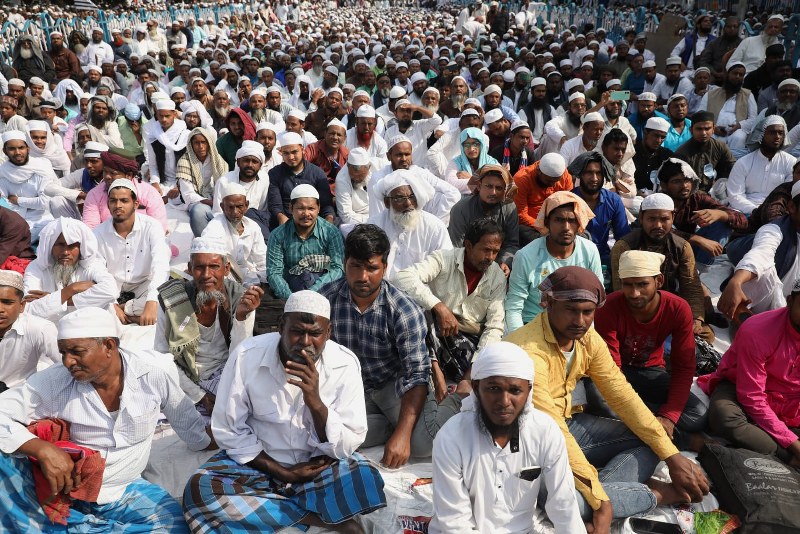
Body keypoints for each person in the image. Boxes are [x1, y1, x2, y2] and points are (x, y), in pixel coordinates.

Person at [505, 266, 710, 530]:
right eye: (570, 309)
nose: (580, 321)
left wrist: (672, 457)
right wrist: (599, 501)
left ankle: (612, 493)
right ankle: (653, 494)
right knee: (571, 504)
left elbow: (622, 395)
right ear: (549, 303)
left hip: (569, 424)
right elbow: (552, 430)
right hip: (528, 444)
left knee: (655, 438)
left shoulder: (587, 338)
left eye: (587, 312)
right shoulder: (528, 351)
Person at [183, 290, 387, 533]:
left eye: (315, 334)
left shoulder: (345, 364)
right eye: (297, 331)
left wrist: (316, 402)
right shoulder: (247, 356)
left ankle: (265, 511)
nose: (305, 342)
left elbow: (348, 441)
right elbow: (228, 429)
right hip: (259, 465)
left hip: (316, 469)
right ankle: (315, 518)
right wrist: (283, 473)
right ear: (281, 326)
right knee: (199, 491)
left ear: (329, 332)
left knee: (365, 480)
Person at [0, 307, 215, 533]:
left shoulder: (153, 374)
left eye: (76, 352)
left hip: (123, 490)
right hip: (61, 489)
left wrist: (217, 440)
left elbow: (189, 426)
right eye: (63, 352)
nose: (67, 362)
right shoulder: (55, 381)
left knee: (174, 527)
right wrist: (43, 450)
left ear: (109, 346)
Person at [319, 225, 467, 468]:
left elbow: (416, 376)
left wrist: (404, 435)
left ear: (384, 268)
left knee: (420, 445)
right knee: (331, 434)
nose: (363, 276)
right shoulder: (326, 299)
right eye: (355, 266)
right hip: (352, 386)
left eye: (372, 268)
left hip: (395, 385)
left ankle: (457, 398)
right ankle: (388, 423)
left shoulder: (404, 310)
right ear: (344, 263)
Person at [429, 342, 584, 533]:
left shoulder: (545, 431)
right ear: (476, 388)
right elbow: (455, 523)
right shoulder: (451, 437)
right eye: (494, 389)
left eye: (515, 391)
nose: (504, 402)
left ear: (528, 391)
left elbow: (564, 504)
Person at [592, 250, 706, 448]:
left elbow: (683, 366)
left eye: (642, 284)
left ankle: (643, 426)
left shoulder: (678, 308)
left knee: (699, 414)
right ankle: (677, 438)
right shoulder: (608, 307)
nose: (635, 293)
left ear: (659, 281)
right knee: (600, 401)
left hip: (650, 371)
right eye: (628, 285)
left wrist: (669, 417)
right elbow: (612, 369)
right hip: (615, 374)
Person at [155, 236, 262, 413]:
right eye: (199, 268)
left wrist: (242, 317)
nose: (206, 275)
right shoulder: (171, 299)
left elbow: (240, 356)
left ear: (226, 269)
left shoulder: (240, 298)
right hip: (184, 377)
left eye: (214, 267)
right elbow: (162, 355)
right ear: (189, 269)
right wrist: (199, 396)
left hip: (226, 374)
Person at [699, 283, 800, 466]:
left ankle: (769, 441)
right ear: (789, 301)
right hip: (741, 388)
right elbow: (752, 397)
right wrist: (793, 445)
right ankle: (786, 457)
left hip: (791, 401)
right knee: (724, 417)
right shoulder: (758, 331)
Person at [395, 218, 507, 380]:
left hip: (469, 340)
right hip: (438, 329)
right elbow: (403, 277)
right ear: (468, 245)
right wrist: (439, 307)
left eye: (495, 252)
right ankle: (434, 372)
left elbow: (494, 326)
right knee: (417, 313)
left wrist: (474, 369)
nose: (490, 257)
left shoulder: (497, 276)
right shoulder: (444, 259)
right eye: (486, 250)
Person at [610, 193, 711, 341]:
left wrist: (696, 318)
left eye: (664, 219)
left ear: (673, 217)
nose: (658, 225)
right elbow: (621, 289)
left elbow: (690, 284)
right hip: (634, 307)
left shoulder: (682, 246)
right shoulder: (624, 246)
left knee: (704, 335)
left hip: (668, 308)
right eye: (652, 219)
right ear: (641, 217)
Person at [505, 191, 602, 332]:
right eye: (559, 220)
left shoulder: (590, 250)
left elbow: (595, 299)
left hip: (577, 327)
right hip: (534, 328)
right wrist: (520, 343)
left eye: (572, 220)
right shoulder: (525, 256)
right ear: (547, 222)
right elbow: (514, 306)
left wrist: (587, 336)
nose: (566, 227)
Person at [717, 181, 800, 317]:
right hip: (774, 302)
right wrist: (736, 281)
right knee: (761, 273)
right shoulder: (774, 230)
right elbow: (760, 254)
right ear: (791, 207)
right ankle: (743, 319)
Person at [94, 179, 170, 327]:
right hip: (112, 290)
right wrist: (111, 304)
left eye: (124, 200)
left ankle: (126, 311)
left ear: (135, 204)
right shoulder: (97, 233)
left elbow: (160, 265)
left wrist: (152, 300)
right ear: (108, 204)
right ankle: (130, 314)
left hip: (144, 287)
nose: (118, 206)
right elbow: (97, 272)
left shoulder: (151, 226)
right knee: (87, 298)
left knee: (175, 295)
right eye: (113, 201)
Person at [22, 217, 117, 323]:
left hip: (88, 326)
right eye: (60, 245)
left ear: (81, 247)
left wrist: (62, 300)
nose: (66, 252)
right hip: (51, 329)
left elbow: (110, 291)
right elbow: (28, 308)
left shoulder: (91, 265)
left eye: (72, 246)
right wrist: (71, 290)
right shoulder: (36, 267)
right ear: (50, 246)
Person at [658, 158, 748, 267]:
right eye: (677, 181)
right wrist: (696, 239)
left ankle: (698, 269)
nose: (684, 186)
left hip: (690, 253)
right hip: (663, 254)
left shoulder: (697, 198)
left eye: (687, 180)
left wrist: (720, 214)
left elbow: (743, 220)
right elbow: (657, 231)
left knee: (722, 222)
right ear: (664, 185)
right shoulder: (656, 201)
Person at [368, 169, 452, 280]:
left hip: (421, 292)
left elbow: (446, 266)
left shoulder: (435, 227)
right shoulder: (374, 226)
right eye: (399, 198)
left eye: (412, 197)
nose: (408, 203)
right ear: (387, 202)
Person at [267, 184, 344, 299]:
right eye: (301, 208)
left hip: (323, 291)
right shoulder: (278, 235)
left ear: (318, 208)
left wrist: (311, 294)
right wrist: (291, 299)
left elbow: (337, 268)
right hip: (290, 290)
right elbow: (274, 273)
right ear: (291, 208)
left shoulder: (331, 232)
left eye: (311, 208)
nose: (306, 214)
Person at [448, 164, 519, 275]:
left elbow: (512, 243)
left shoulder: (509, 207)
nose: (493, 192)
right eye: (489, 186)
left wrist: (505, 262)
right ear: (479, 186)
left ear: (505, 191)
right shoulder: (461, 209)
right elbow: (456, 247)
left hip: (496, 263)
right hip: (466, 263)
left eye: (499, 188)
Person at [0, 269, 59, 391]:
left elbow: (65, 364)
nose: (0, 309)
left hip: (21, 396)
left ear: (21, 306)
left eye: (7, 302)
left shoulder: (40, 328)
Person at [82, 150, 168, 232]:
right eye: (105, 171)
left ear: (129, 175)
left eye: (113, 173)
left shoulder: (149, 193)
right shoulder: (94, 195)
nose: (107, 176)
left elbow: (159, 229)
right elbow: (90, 231)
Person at [202, 181, 267, 287]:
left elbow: (262, 259)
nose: (235, 212)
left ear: (246, 206)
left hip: (249, 277)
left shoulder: (253, 227)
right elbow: (210, 262)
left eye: (239, 206)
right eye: (230, 207)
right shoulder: (214, 228)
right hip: (224, 279)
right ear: (222, 207)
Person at [727, 115, 795, 216]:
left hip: (776, 212)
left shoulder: (791, 163)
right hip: (744, 211)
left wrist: (770, 211)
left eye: (781, 133)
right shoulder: (743, 162)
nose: (777, 137)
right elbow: (735, 196)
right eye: (772, 132)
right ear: (761, 135)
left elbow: (788, 196)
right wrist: (755, 210)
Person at [570, 151, 630, 266]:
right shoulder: (569, 200)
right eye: (589, 173)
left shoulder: (614, 201)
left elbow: (623, 237)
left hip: (602, 257)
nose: (594, 178)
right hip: (574, 257)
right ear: (581, 174)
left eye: (598, 173)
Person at [268, 131, 335, 229]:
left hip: (314, 224)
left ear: (302, 150)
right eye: (286, 153)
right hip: (286, 224)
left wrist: (328, 223)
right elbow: (275, 206)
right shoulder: (274, 173)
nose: (291, 157)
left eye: (294, 152)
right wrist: (281, 218)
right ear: (281, 153)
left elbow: (326, 205)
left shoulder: (317, 173)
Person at [177, 127, 229, 237]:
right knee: (198, 211)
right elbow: (188, 195)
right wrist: (212, 202)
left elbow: (223, 182)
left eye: (203, 142)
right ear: (191, 144)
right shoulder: (184, 162)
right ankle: (204, 243)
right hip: (196, 200)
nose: (201, 147)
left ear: (209, 143)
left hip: (213, 196)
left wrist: (218, 199)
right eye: (196, 143)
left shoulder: (216, 158)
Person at [512, 152, 573, 245]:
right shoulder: (522, 179)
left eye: (556, 181)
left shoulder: (565, 176)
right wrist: (544, 228)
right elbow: (520, 214)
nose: (552, 184)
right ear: (538, 171)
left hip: (558, 223)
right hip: (532, 227)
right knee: (522, 232)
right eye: (549, 181)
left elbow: (569, 205)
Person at [674, 111, 737, 192]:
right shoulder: (681, 153)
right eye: (699, 129)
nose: (703, 133)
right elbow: (679, 182)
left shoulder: (720, 146)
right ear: (691, 130)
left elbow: (732, 168)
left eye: (707, 129)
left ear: (713, 129)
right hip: (691, 193)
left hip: (713, 191)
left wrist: (720, 185)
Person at [698, 62, 756, 144]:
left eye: (741, 75)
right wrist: (713, 128)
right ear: (727, 74)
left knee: (739, 137)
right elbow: (700, 115)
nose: (737, 77)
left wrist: (738, 126)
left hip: (737, 132)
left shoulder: (748, 95)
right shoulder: (710, 94)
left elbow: (753, 119)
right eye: (735, 73)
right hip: (713, 131)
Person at [143, 99, 187, 195]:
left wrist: (180, 185)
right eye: (161, 116)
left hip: (183, 181)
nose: (163, 119)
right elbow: (153, 165)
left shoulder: (185, 134)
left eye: (167, 116)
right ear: (156, 114)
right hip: (163, 181)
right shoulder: (153, 135)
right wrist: (155, 183)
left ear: (174, 114)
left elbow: (190, 166)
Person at [303, 118, 349, 194]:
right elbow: (302, 163)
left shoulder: (346, 154)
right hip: (314, 190)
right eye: (332, 133)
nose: (335, 137)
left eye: (339, 135)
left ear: (344, 138)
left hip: (338, 192)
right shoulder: (313, 148)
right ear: (325, 134)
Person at [632, 117, 674, 192]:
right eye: (656, 136)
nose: (659, 140)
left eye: (663, 137)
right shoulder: (632, 153)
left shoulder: (667, 156)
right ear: (645, 132)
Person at [335, 148, 372, 232]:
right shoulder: (341, 179)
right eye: (353, 175)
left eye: (361, 176)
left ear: (369, 167)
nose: (357, 178)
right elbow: (346, 216)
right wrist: (371, 220)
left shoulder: (378, 166)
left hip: (377, 213)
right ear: (348, 166)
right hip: (355, 219)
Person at [698, 16, 741, 85]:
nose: (732, 29)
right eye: (729, 26)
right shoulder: (714, 43)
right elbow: (704, 62)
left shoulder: (742, 45)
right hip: (713, 76)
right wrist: (715, 73)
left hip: (733, 77)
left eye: (735, 26)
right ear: (724, 28)